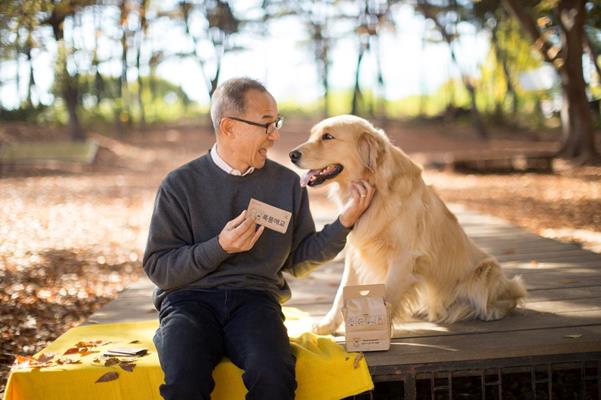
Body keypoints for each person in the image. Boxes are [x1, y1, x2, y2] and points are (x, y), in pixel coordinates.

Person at [143, 77, 375, 400]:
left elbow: (299, 259)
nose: (275, 135)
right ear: (228, 128)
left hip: (255, 301)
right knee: (184, 379)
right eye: (266, 125)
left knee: (275, 376)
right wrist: (219, 247)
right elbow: (158, 266)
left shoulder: (287, 185)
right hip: (188, 302)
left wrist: (345, 221)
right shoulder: (179, 186)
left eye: (276, 123)